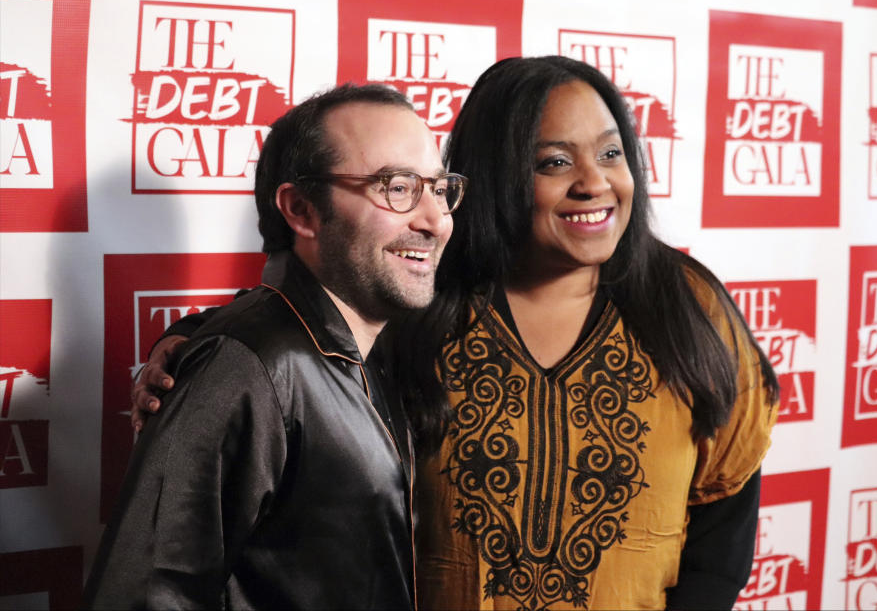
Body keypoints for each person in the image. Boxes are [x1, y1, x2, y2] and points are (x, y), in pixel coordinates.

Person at [134, 56, 778, 610]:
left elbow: (726, 514)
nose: (595, 182)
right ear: (496, 177)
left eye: (612, 152)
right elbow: (311, 320)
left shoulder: (690, 307)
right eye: (555, 161)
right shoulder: (423, 297)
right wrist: (197, 336)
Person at [84, 83, 466, 609]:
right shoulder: (245, 366)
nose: (434, 220)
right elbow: (147, 594)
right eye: (396, 187)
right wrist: (213, 343)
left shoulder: (379, 341)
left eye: (438, 188)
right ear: (302, 210)